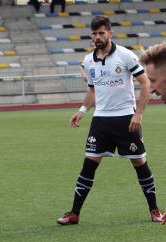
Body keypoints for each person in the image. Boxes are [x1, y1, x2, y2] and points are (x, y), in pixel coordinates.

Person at [57, 16, 163, 225]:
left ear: (110, 34)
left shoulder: (125, 56)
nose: (98, 37)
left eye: (101, 33)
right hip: (101, 121)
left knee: (140, 163)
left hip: (125, 118)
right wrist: (82, 110)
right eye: (94, 33)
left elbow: (145, 84)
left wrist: (138, 113)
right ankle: (74, 213)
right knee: (88, 166)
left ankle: (155, 210)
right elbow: (93, 90)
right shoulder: (89, 61)